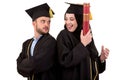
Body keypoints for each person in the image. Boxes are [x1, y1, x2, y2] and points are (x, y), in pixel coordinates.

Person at [56, 3, 109, 80]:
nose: (67, 22)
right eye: (66, 19)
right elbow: (64, 62)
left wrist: (101, 59)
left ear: (79, 19)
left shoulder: (86, 35)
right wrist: (82, 45)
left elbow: (92, 68)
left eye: (71, 19)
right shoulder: (63, 35)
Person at [16, 3, 57, 80]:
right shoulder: (26, 44)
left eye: (49, 22)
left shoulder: (50, 42)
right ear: (34, 23)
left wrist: (24, 64)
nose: (46, 24)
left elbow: (38, 64)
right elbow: (18, 67)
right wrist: (26, 65)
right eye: (43, 21)